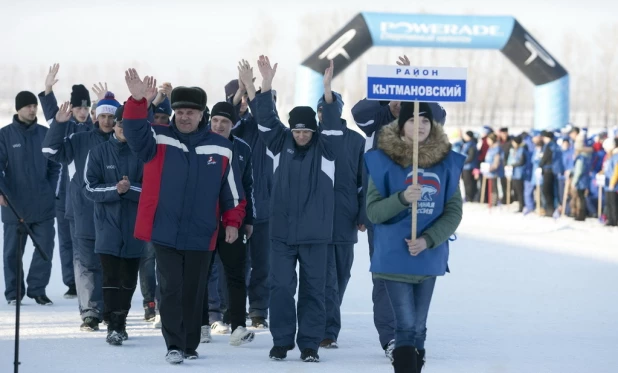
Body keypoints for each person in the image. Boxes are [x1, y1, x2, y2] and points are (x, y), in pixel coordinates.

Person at [121, 69, 246, 364]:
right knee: (170, 289)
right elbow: (134, 132)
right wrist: (139, 101)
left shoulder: (221, 146)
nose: (184, 116)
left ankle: (190, 344)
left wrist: (232, 221)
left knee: (194, 290)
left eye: (191, 112)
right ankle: (174, 345)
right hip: (165, 230)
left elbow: (233, 191)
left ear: (202, 114)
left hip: (202, 232)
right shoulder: (158, 139)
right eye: (179, 111)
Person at [238, 56, 342, 362]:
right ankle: (282, 341)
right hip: (281, 233)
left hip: (315, 235)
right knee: (281, 288)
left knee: (313, 291)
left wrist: (327, 91)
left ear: (313, 132)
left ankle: (309, 343)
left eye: (306, 132)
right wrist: (266, 85)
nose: (300, 136)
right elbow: (266, 120)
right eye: (297, 131)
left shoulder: (327, 148)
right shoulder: (279, 142)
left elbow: (333, 125)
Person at [351, 55, 446, 361]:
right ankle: (392, 337)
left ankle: (414, 334)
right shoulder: (377, 122)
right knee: (385, 274)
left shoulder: (425, 123)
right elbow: (359, 112)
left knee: (420, 273)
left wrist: (414, 86)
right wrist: (388, 96)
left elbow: (439, 113)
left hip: (424, 212)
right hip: (386, 213)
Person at [364, 102, 464, 372]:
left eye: (425, 120)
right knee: (406, 328)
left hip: (428, 258)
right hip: (395, 258)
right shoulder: (382, 160)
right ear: (400, 125)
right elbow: (373, 212)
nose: (419, 125)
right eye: (412, 120)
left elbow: (454, 212)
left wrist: (428, 240)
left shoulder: (447, 163)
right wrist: (402, 198)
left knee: (420, 328)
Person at [42, 91, 120, 331]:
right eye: (103, 115)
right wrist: (59, 123)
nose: (107, 121)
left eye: (112, 116)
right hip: (82, 211)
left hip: (116, 213)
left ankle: (112, 310)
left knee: (112, 264)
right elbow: (50, 151)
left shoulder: (124, 142)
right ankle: (90, 312)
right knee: (86, 264)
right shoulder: (79, 139)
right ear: (95, 117)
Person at [83, 105, 144, 345]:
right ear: (115, 125)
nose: (122, 128)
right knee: (110, 277)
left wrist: (129, 190)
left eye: (128, 124)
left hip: (135, 226)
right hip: (107, 225)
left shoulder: (143, 153)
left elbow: (152, 190)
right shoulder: (98, 152)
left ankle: (121, 318)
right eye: (120, 124)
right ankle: (114, 325)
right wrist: (116, 190)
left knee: (129, 278)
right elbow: (89, 187)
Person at [200, 101, 256, 346]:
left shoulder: (242, 148)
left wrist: (249, 220)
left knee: (235, 274)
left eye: (225, 121)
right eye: (215, 120)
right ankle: (201, 324)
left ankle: (238, 326)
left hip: (234, 221)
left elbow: (248, 185)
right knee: (201, 274)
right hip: (203, 221)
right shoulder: (200, 143)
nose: (219, 125)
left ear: (233, 124)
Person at [37, 63, 94, 299]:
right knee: (66, 241)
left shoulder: (95, 127)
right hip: (64, 193)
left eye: (86, 107)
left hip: (88, 193)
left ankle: (90, 281)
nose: (82, 111)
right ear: (72, 107)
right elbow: (53, 116)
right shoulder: (65, 125)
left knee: (86, 239)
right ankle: (71, 282)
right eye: (79, 107)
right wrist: (48, 89)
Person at [0, 91, 60, 306]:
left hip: (42, 204)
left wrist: (51, 188)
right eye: (28, 106)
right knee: (12, 253)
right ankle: (14, 293)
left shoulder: (46, 133)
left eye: (34, 105)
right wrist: (2, 192)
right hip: (14, 205)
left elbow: (55, 165)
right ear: (18, 109)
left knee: (45, 249)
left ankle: (38, 289)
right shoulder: (4, 135)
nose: (32, 109)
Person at [317, 91, 366, 349]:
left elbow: (363, 182)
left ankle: (328, 318)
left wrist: (362, 214)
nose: (325, 114)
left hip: (346, 219)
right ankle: (327, 329)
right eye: (322, 110)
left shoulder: (357, 141)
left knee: (341, 275)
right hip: (317, 219)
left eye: (331, 109)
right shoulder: (311, 138)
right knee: (324, 278)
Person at [227, 72, 275, 329]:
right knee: (236, 263)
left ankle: (258, 310)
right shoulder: (239, 127)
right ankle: (231, 309)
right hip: (236, 206)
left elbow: (266, 116)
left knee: (262, 264)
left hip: (265, 208)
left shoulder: (273, 131)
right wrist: (242, 92)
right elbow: (228, 117)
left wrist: (256, 92)